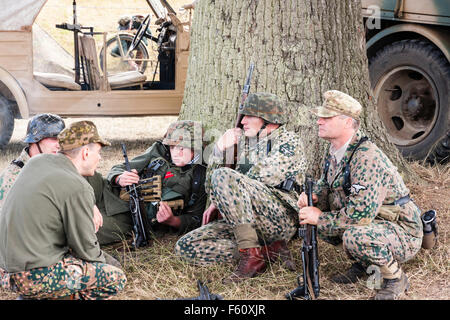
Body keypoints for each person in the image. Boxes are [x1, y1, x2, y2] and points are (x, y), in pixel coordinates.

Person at [297, 90, 423, 300]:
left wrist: (319, 217)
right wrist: (314, 197)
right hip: (376, 222)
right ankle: (364, 263)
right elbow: (325, 183)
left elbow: (359, 217)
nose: (319, 121)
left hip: (402, 231)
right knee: (314, 220)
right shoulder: (336, 150)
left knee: (354, 235)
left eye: (326, 117)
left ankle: (394, 278)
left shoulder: (366, 158)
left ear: (347, 123)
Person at [175, 92, 307, 283]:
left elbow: (258, 178)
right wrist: (219, 152)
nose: (243, 121)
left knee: (223, 175)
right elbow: (210, 188)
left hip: (278, 219)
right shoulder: (247, 145)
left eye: (250, 116)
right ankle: (268, 252)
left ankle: (251, 257)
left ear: (269, 120)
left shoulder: (289, 142)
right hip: (243, 221)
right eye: (243, 115)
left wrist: (225, 189)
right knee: (185, 247)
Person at [0, 120, 126, 300]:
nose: (100, 158)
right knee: (114, 278)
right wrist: (109, 266)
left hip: (5, 269)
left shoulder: (37, 163)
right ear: (85, 152)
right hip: (29, 275)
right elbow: (87, 251)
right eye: (98, 152)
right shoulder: (77, 186)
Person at [87, 120, 207, 245]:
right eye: (173, 147)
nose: (177, 152)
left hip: (131, 217)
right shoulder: (159, 151)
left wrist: (173, 220)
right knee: (82, 175)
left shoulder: (200, 175)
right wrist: (120, 177)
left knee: (88, 228)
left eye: (183, 148)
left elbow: (196, 218)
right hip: (111, 192)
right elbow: (121, 168)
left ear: (195, 148)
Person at [0, 113, 65, 212]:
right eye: (54, 138)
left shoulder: (58, 167)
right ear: (35, 139)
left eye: (61, 140)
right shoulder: (12, 178)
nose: (58, 145)